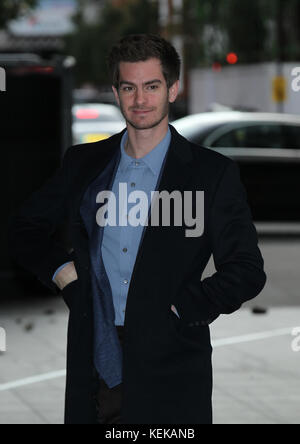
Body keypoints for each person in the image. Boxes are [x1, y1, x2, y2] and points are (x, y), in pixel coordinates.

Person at [9, 34, 266, 425]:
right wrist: (66, 276)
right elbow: (24, 228)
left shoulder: (211, 173)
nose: (140, 100)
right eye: (129, 87)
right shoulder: (84, 162)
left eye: (152, 86)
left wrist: (182, 308)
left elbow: (247, 269)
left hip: (173, 359)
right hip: (95, 352)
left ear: (173, 89)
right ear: (115, 91)